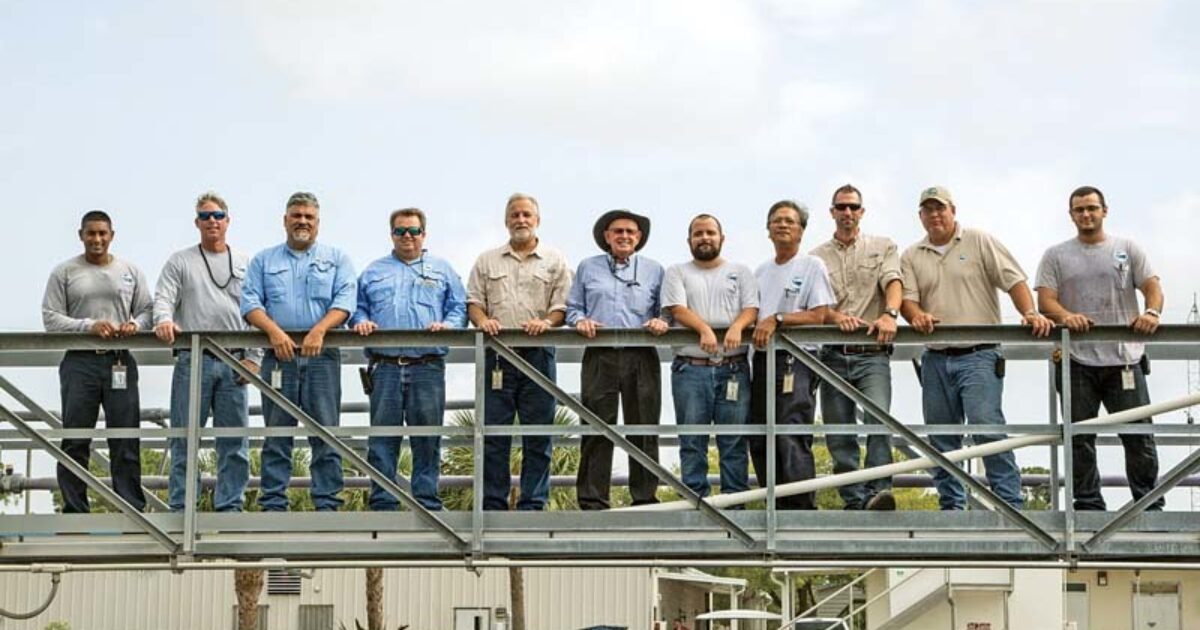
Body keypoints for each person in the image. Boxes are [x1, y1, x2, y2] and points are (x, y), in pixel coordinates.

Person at [900, 185, 1052, 510]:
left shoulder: (979, 241)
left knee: (987, 429)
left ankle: (1010, 504)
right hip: (936, 358)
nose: (935, 215)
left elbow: (1013, 280)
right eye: (928, 210)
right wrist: (917, 316)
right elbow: (908, 301)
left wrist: (1029, 312)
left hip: (979, 353)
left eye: (940, 208)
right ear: (920, 216)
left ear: (953, 210)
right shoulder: (912, 255)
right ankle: (952, 507)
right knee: (941, 438)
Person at [1035, 185, 1164, 511]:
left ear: (1104, 211)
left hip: (1124, 359)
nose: (1086, 214)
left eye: (1092, 208)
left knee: (1138, 438)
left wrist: (1151, 312)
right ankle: (1088, 505)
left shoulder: (1126, 248)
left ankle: (1148, 504)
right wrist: (1067, 317)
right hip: (1078, 361)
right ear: (1071, 215)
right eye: (1079, 209)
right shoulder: (1056, 255)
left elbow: (1152, 286)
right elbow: (1046, 300)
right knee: (1079, 440)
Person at [241, 192, 356, 512]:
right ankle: (274, 504)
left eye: (309, 217)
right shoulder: (264, 261)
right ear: (285, 220)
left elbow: (346, 300)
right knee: (277, 434)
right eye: (296, 216)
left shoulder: (337, 258)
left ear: (318, 223)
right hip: (280, 358)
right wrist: (274, 333)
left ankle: (327, 504)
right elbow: (250, 303)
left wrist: (320, 330)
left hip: (323, 358)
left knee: (326, 434)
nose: (302, 221)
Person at [351, 207, 467, 511]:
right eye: (401, 231)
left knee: (427, 439)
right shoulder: (373, 271)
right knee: (382, 441)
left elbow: (459, 309)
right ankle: (383, 505)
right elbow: (357, 307)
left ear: (423, 234)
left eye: (414, 231)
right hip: (385, 367)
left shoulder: (443, 269)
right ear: (392, 234)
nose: (407, 236)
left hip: (427, 365)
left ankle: (427, 504)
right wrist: (361, 321)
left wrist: (448, 327)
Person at [154, 192, 259, 512]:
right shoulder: (180, 261)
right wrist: (164, 320)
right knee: (184, 439)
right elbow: (163, 298)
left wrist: (254, 357)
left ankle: (230, 508)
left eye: (217, 215)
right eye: (205, 216)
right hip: (193, 360)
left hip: (234, 360)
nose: (211, 221)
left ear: (228, 220)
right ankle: (183, 508)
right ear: (196, 222)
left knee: (234, 442)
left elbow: (259, 309)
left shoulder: (245, 262)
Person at [466, 193, 572, 511]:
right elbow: (473, 302)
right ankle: (492, 505)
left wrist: (546, 323)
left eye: (527, 214)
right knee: (493, 436)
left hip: (538, 355)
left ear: (537, 220)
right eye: (515, 215)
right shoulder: (487, 260)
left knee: (538, 436)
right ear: (506, 221)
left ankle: (533, 503)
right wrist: (483, 321)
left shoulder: (555, 260)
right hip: (497, 356)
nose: (521, 220)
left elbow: (563, 307)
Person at [42, 210, 152, 513]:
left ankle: (131, 509)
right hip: (80, 362)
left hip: (119, 361)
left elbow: (147, 310)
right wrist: (87, 326)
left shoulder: (130, 270)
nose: (97, 239)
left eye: (103, 233)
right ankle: (75, 510)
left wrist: (136, 326)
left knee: (125, 437)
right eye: (91, 233)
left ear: (112, 235)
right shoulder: (64, 272)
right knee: (76, 438)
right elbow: (50, 318)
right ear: (81, 235)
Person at [567, 209, 668, 510]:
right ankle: (593, 499)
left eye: (630, 232)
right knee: (597, 427)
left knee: (644, 426)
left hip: (641, 354)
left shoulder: (654, 269)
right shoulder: (587, 267)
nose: (624, 236)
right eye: (618, 231)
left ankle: (645, 498)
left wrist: (662, 321)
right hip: (600, 353)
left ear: (638, 238)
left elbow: (667, 311)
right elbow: (573, 308)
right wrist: (580, 321)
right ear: (606, 237)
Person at [811, 185, 902, 511]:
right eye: (841, 207)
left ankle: (880, 492)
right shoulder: (816, 256)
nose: (847, 212)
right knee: (839, 434)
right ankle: (855, 500)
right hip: (833, 355)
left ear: (862, 211)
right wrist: (835, 318)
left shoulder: (882, 246)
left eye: (853, 207)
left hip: (872, 355)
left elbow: (894, 282)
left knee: (879, 423)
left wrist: (890, 314)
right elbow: (816, 305)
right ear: (832, 212)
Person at [661, 214, 758, 501]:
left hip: (733, 368)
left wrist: (737, 327)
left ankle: (735, 504)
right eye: (698, 233)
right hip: (691, 369)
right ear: (689, 240)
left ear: (721, 238)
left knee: (734, 441)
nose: (705, 238)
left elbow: (751, 308)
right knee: (692, 440)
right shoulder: (677, 272)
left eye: (710, 233)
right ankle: (696, 505)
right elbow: (677, 308)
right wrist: (704, 328)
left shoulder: (741, 271)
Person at [749, 200, 835, 510]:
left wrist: (779, 318)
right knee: (758, 434)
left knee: (790, 430)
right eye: (776, 220)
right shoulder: (760, 271)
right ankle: (774, 504)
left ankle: (800, 508)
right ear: (768, 229)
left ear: (801, 230)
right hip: (760, 360)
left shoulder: (811, 265)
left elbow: (820, 314)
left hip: (795, 360)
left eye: (790, 221)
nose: (782, 225)